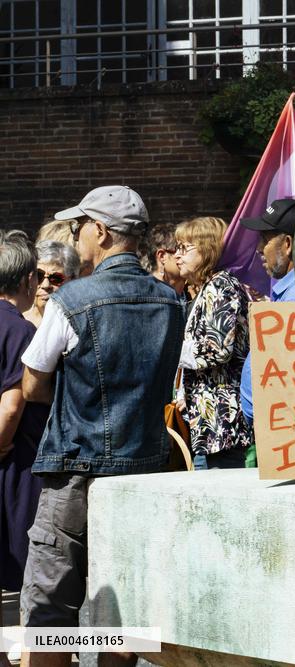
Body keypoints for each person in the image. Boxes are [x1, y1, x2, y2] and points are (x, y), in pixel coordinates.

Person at [18, 186, 184, 665]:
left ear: (102, 231)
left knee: (50, 611)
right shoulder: (171, 302)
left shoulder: (72, 299)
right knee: (126, 613)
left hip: (75, 470)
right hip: (144, 472)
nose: (76, 237)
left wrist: (76, 391)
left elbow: (32, 386)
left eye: (79, 227)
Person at [0, 233, 48, 662]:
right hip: (12, 467)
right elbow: (12, 404)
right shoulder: (20, 330)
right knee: (15, 578)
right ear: (29, 280)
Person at [174, 216, 252, 470]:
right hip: (209, 423)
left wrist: (168, 350)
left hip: (222, 421)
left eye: (185, 248)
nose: (177, 255)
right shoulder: (210, 287)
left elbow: (218, 349)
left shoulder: (221, 286)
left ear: (208, 249)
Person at [237, 198, 295, 467]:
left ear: (287, 244)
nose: (260, 249)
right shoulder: (285, 293)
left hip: (288, 439)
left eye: (266, 239)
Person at [22, 241, 80, 328]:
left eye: (56, 278)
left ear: (73, 280)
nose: (45, 285)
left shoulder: (79, 325)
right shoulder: (17, 319)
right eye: (38, 276)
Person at [142, 223, 185, 296]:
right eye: (181, 249)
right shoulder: (145, 295)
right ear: (162, 256)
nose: (188, 255)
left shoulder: (194, 292)